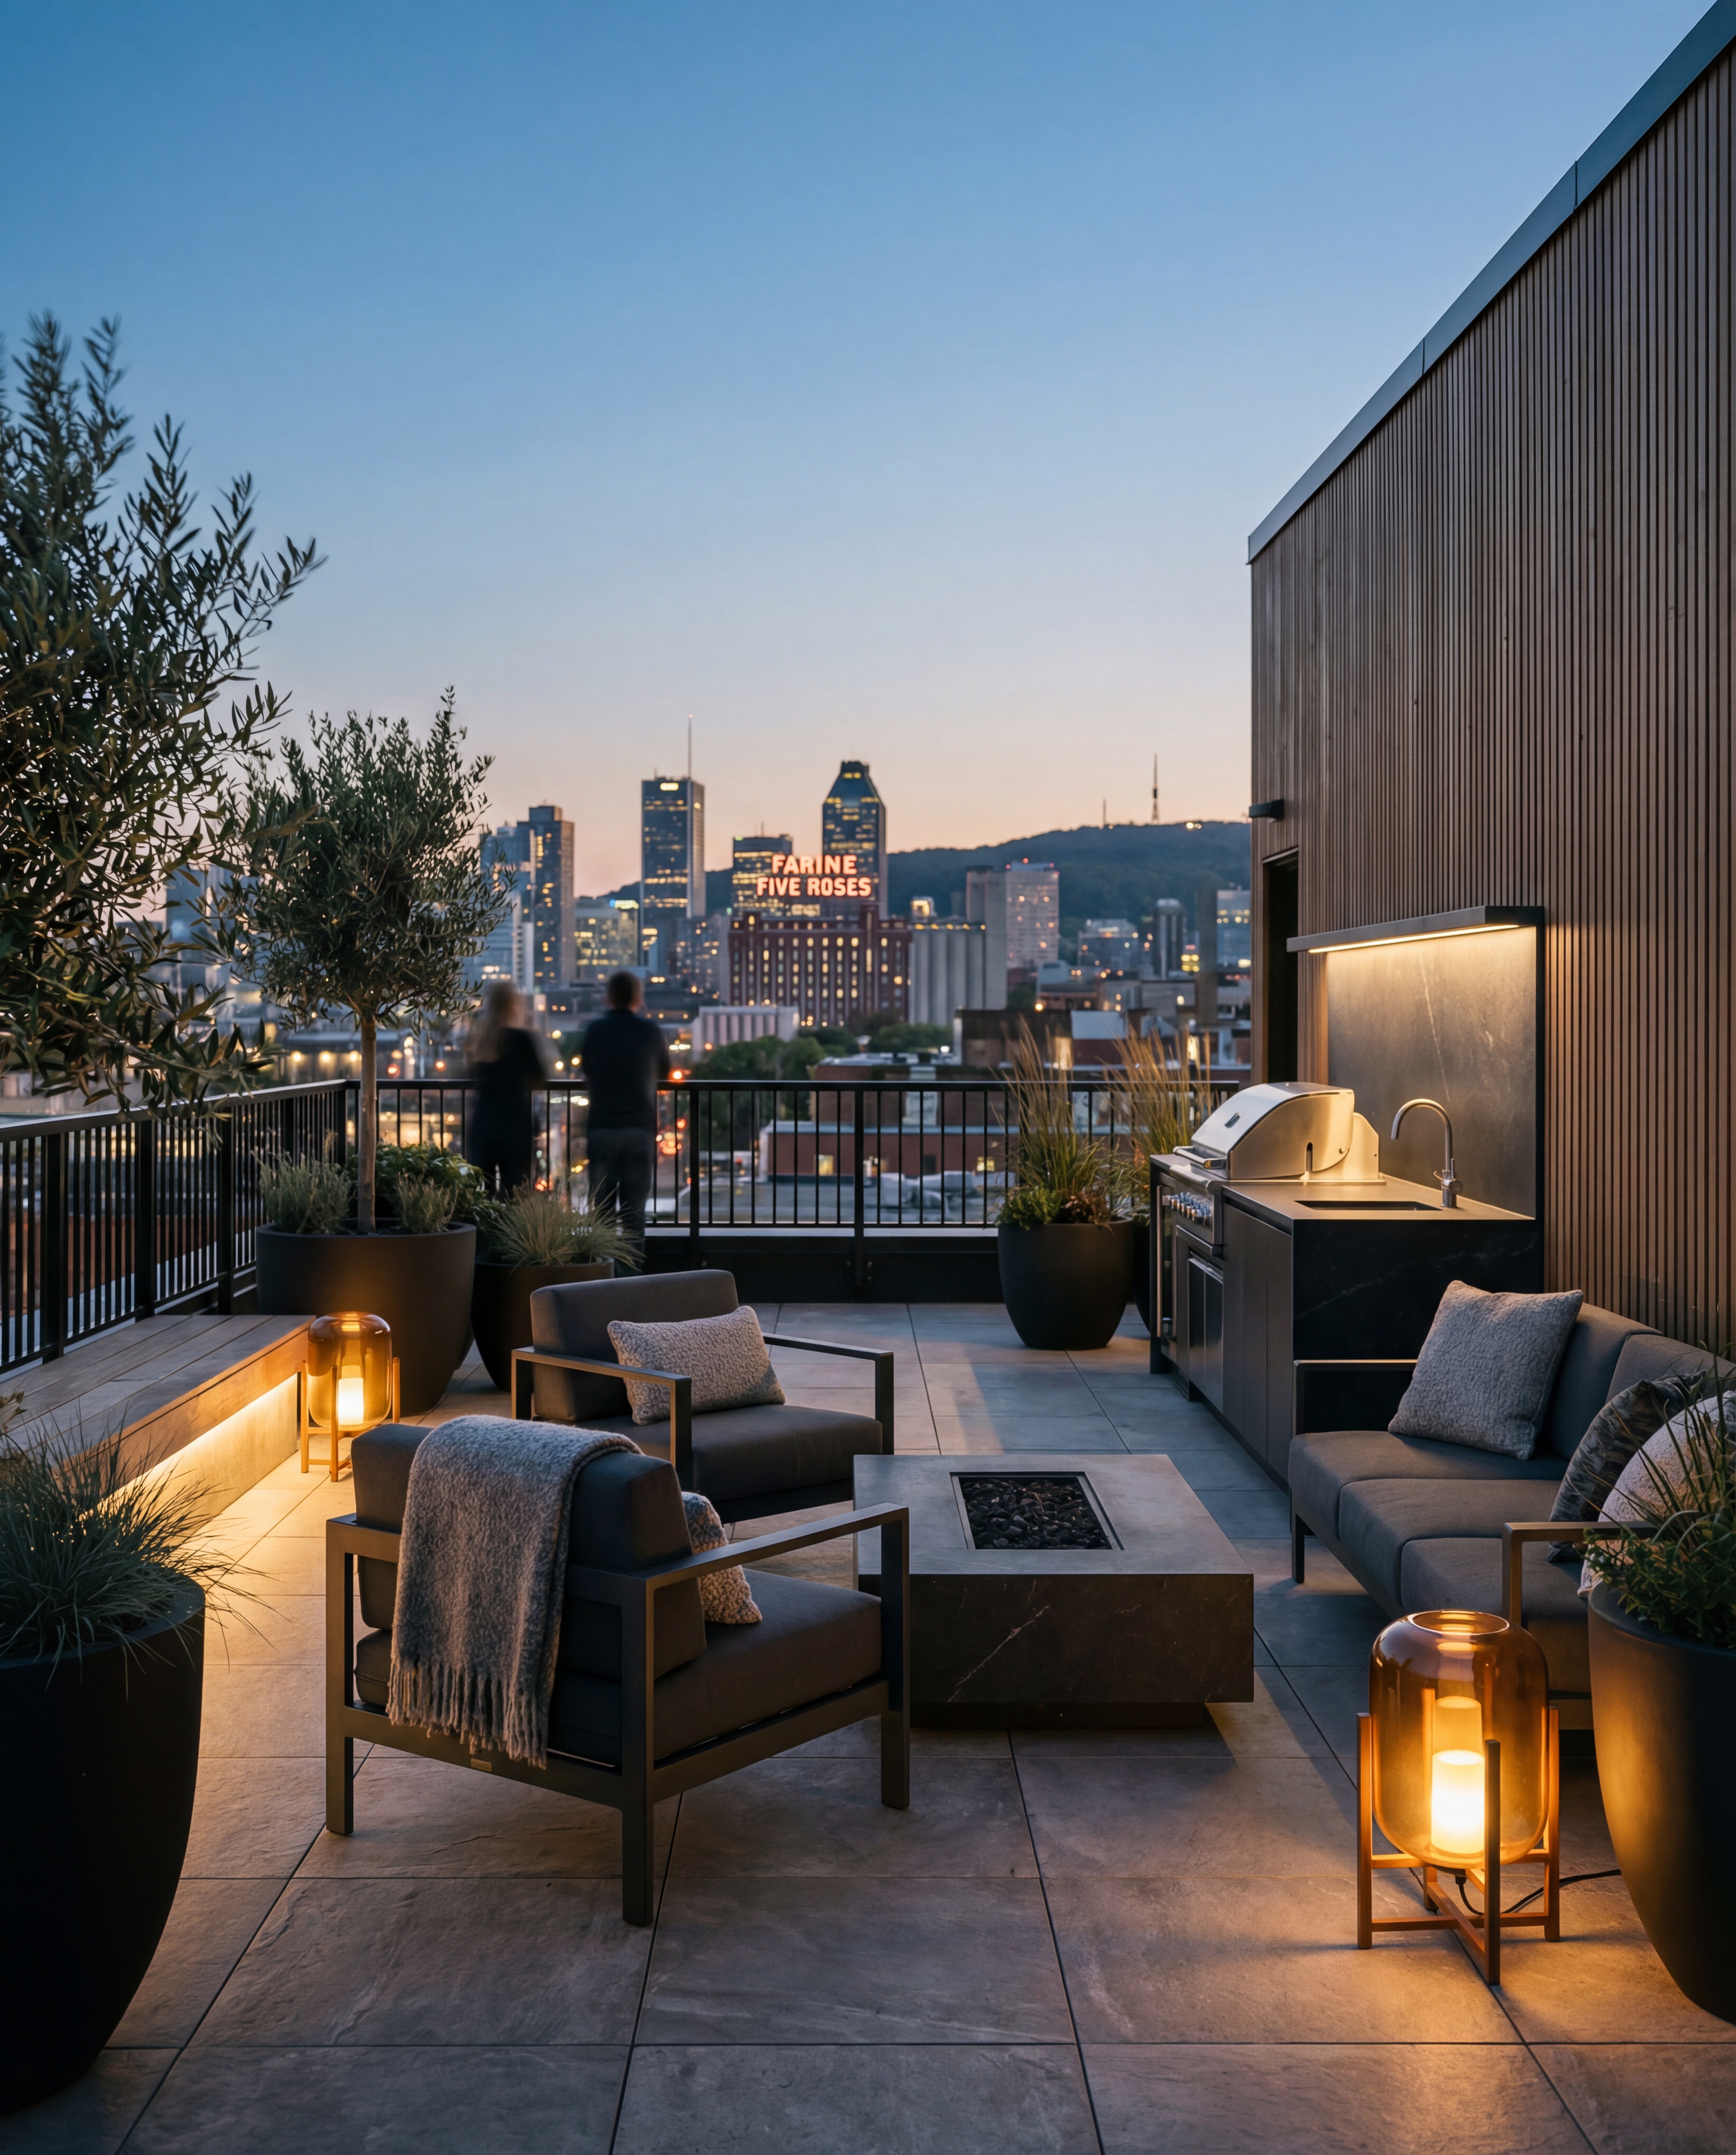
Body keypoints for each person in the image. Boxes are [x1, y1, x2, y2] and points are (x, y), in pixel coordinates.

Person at [581, 970, 669, 1248]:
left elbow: (587, 1069)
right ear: (638, 998)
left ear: (608, 998)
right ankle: (630, 1286)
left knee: (602, 1216)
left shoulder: (595, 1030)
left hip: (602, 1126)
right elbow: (665, 1072)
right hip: (639, 1129)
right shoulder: (650, 1031)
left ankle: (602, 1283)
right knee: (634, 1218)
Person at [464, 980, 547, 1195]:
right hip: (515, 1124)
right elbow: (540, 1074)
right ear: (514, 1005)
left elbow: (472, 1075)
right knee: (515, 1193)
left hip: (484, 1124)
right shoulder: (522, 1039)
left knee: (483, 1192)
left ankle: (483, 1230)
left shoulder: (481, 1040)